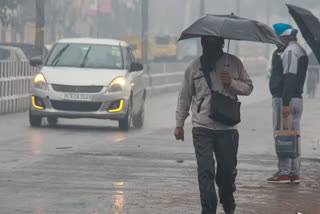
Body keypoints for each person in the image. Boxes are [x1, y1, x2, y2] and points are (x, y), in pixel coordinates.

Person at [174, 36, 253, 214]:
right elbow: (184, 97)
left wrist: (231, 83)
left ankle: (227, 202)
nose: (210, 48)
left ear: (221, 45)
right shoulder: (194, 68)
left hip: (228, 128)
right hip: (202, 127)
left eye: (214, 44)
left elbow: (248, 87)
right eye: (206, 44)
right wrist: (179, 124)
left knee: (227, 172)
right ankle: (208, 209)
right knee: (205, 171)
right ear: (202, 45)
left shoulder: (233, 63)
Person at [268, 23, 308, 184]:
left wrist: (285, 102)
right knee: (294, 135)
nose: (275, 41)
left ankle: (284, 172)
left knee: (283, 134)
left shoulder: (291, 51)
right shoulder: (296, 49)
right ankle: (293, 172)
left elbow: (290, 77)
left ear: (282, 36)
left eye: (276, 37)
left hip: (287, 100)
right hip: (295, 99)